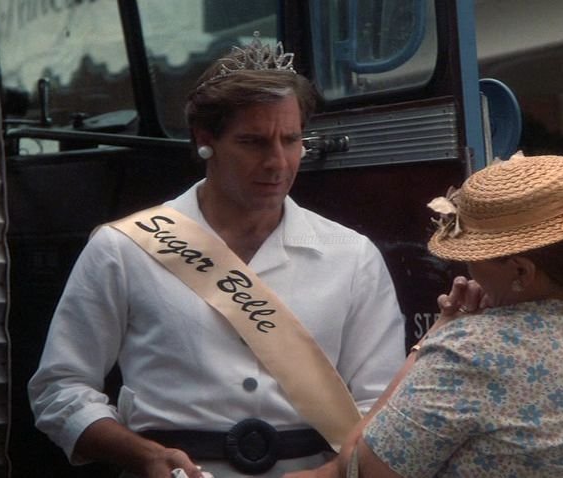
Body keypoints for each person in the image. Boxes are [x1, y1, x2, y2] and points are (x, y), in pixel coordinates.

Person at [28, 32, 405, 478]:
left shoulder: (352, 257)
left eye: (291, 140)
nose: (278, 162)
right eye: (253, 142)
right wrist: (142, 455)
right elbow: (61, 388)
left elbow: (383, 408)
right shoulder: (124, 248)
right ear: (204, 139)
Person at [286, 153, 563, 477]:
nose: (467, 270)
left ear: (521, 272)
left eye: (474, 256)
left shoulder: (472, 352)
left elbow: (360, 467)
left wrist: (435, 337)